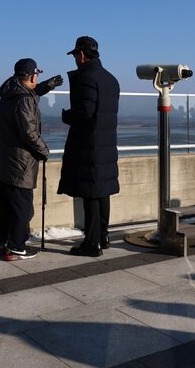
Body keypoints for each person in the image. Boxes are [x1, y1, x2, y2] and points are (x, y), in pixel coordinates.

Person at [0, 59, 62, 260]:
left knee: (7, 205)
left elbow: (28, 92)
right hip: (19, 163)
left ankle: (6, 243)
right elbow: (29, 133)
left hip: (3, 160)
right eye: (36, 75)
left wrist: (46, 86)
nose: (37, 78)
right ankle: (16, 246)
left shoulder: (10, 92)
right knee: (22, 206)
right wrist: (44, 150)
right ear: (32, 75)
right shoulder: (24, 100)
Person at [58, 36, 120, 257]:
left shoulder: (86, 77)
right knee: (102, 192)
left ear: (81, 55)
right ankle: (103, 236)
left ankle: (92, 244)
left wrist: (66, 116)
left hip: (89, 146)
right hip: (106, 144)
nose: (75, 59)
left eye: (75, 55)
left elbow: (84, 113)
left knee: (91, 193)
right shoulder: (111, 79)